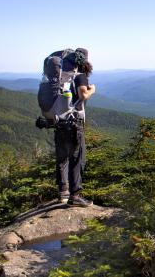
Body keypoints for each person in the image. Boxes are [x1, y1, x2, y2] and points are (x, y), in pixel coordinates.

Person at [55, 47, 96, 207]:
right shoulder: (80, 76)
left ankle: (63, 192)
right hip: (74, 123)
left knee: (62, 158)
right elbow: (83, 94)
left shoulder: (61, 76)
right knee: (77, 158)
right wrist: (92, 89)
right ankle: (75, 196)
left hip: (59, 121)